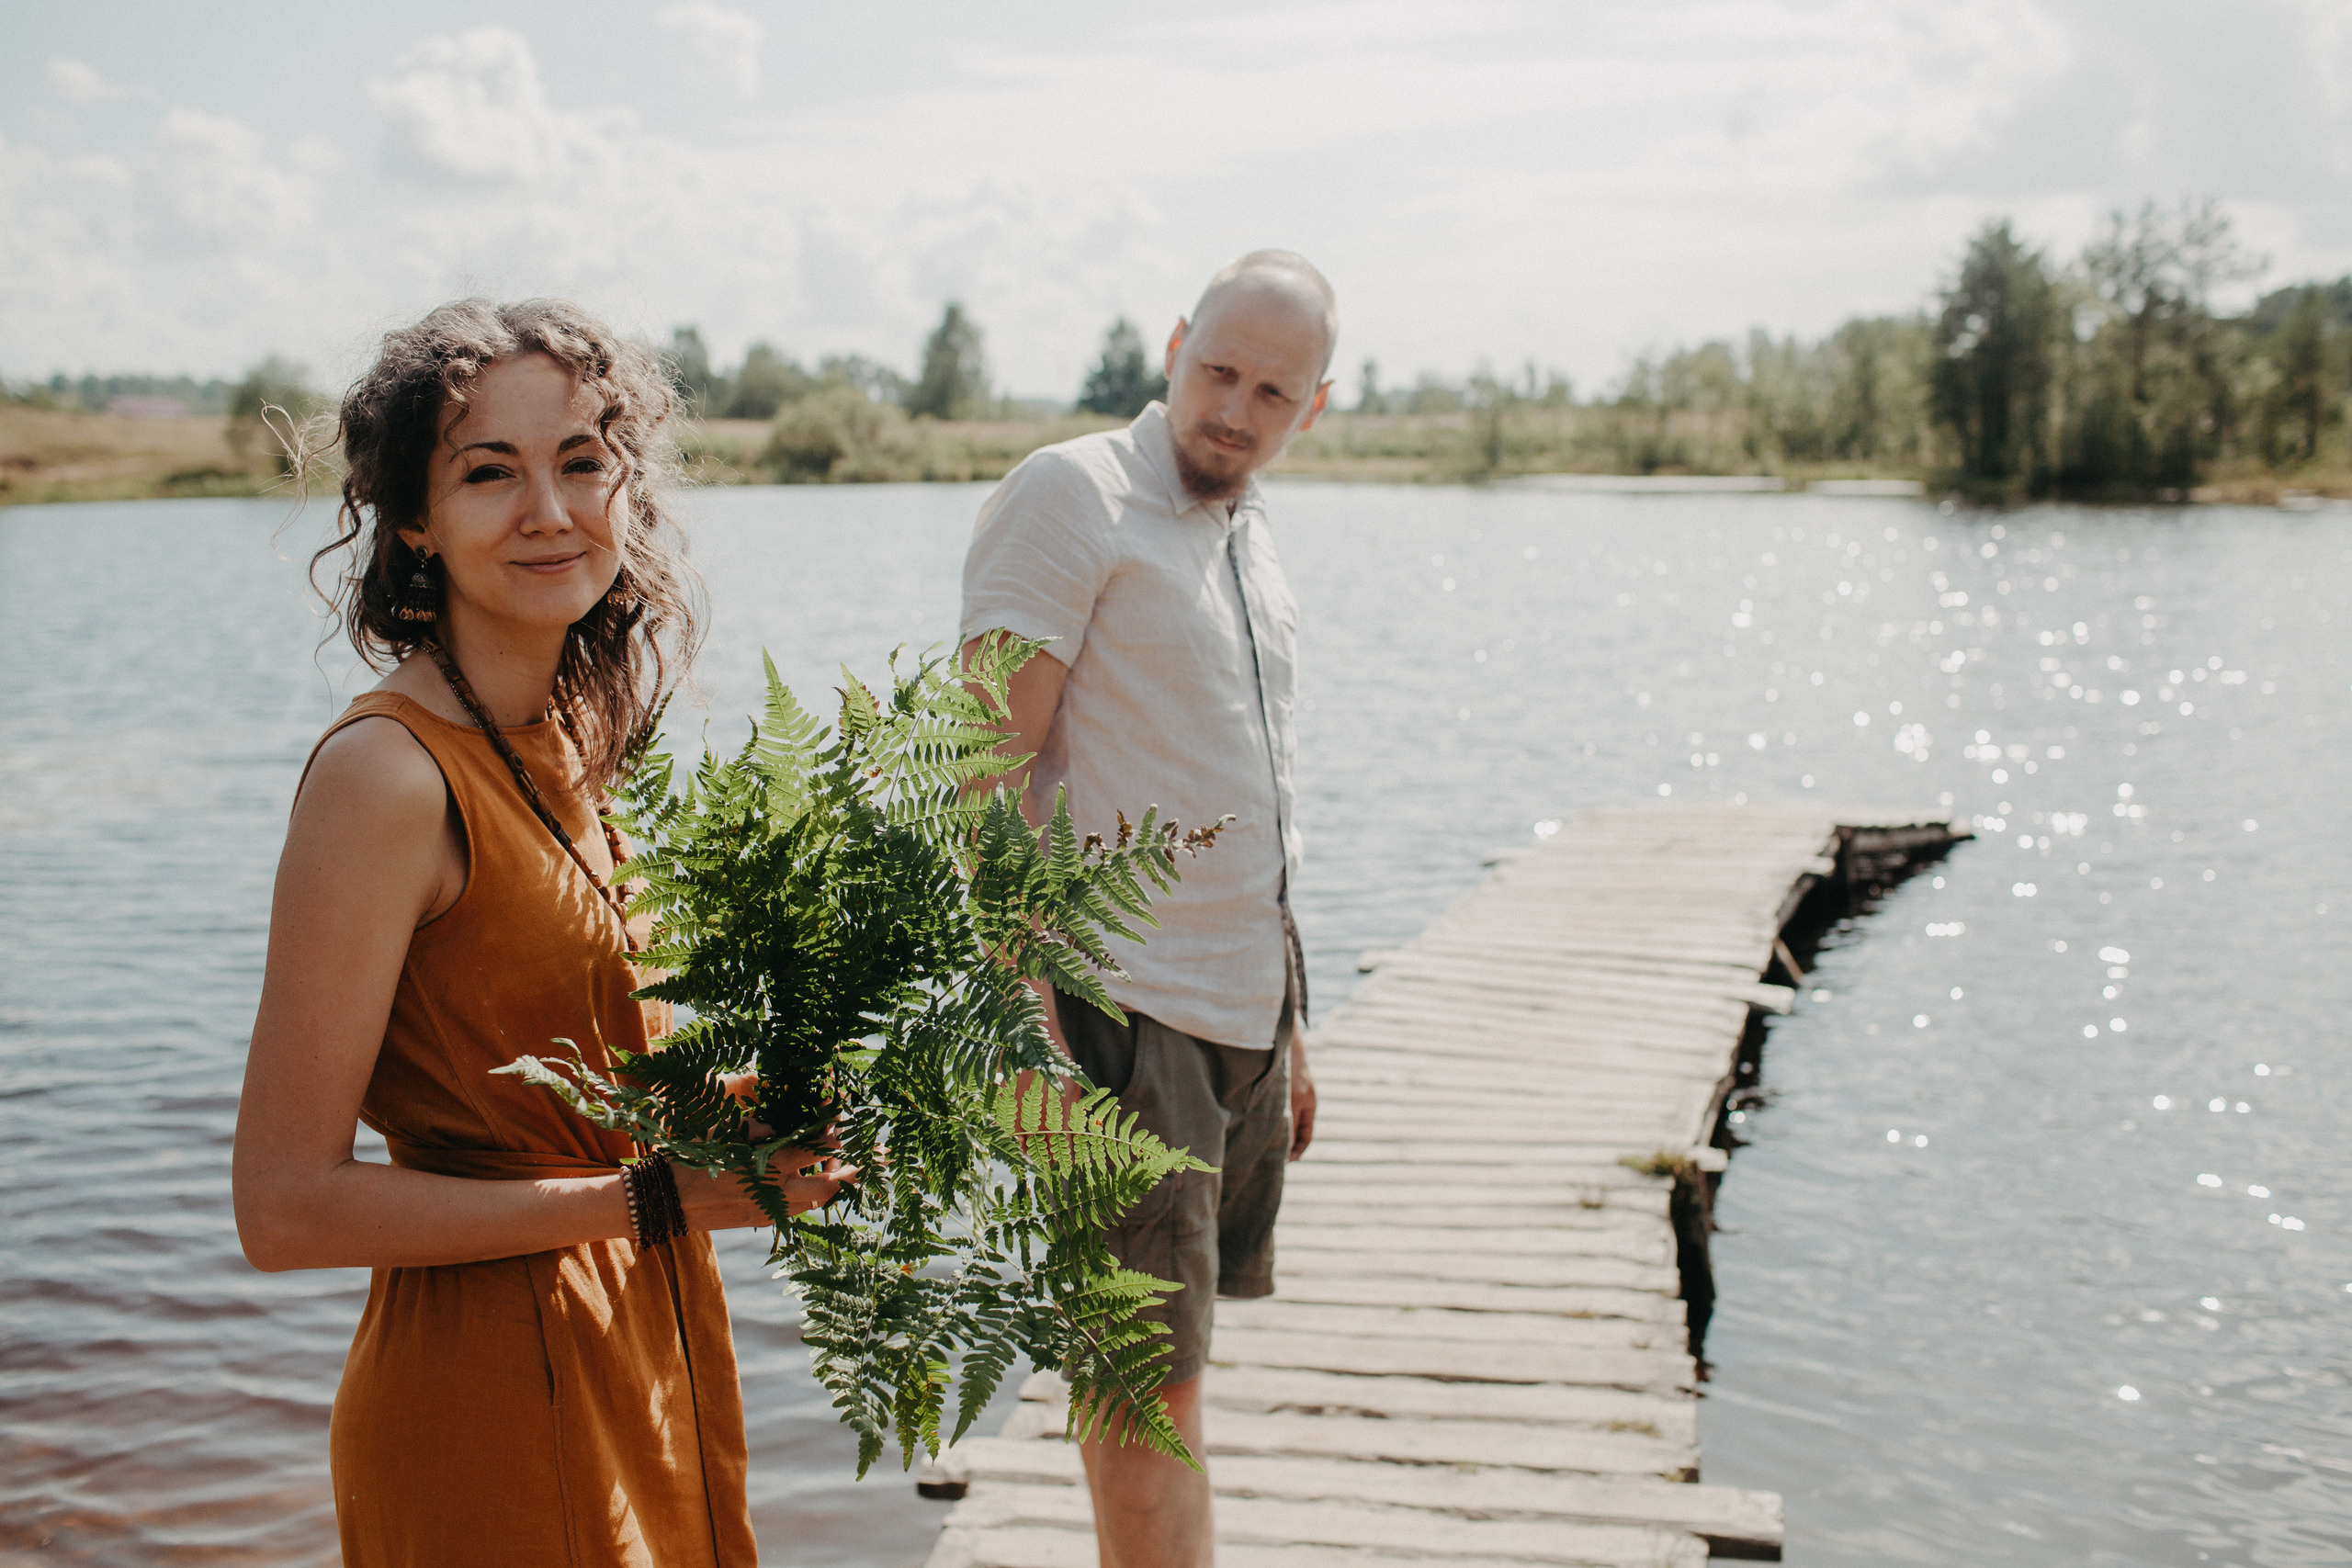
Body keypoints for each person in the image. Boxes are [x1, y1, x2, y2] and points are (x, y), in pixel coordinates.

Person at [232, 299, 849, 1567]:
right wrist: (655, 1198)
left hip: (647, 1347)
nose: (550, 512)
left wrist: (756, 1114)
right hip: (483, 1400)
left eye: (580, 461)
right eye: (488, 473)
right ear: (413, 518)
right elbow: (283, 1207)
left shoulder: (579, 741)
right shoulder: (388, 779)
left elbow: (561, 1092)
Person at [959, 251, 1337, 1568]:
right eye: (1218, 370)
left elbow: (1258, 788)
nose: (1235, 409)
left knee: (1177, 1392)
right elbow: (981, 769)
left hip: (1239, 1016)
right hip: (1120, 1016)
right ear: (1175, 343)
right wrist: (1017, 1028)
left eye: (1273, 392)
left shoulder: (1249, 532)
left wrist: (1292, 1022)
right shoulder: (1071, 496)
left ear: (1315, 408)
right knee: (1141, 1400)